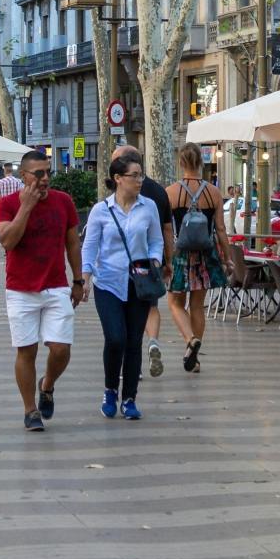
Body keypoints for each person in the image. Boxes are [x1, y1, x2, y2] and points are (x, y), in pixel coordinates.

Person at [0, 148, 83, 432]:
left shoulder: (63, 201)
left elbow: (72, 243)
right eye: (39, 174)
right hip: (20, 289)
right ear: (24, 176)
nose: (45, 178)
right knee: (27, 351)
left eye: (48, 172)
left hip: (56, 285)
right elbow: (7, 241)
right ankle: (30, 410)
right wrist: (26, 207)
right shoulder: (7, 204)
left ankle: (47, 384)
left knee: (61, 348)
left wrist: (78, 280)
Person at [83, 154, 165, 420]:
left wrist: (154, 261)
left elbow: (157, 240)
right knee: (115, 338)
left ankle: (129, 398)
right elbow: (90, 246)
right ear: (118, 178)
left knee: (133, 341)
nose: (140, 180)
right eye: (135, 175)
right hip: (107, 282)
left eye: (142, 175)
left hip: (139, 284)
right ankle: (110, 390)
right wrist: (85, 277)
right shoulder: (101, 210)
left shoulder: (149, 207)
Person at [112, 145, 175, 379]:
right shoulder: (159, 191)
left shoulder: (119, 189)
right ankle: (153, 341)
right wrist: (168, 260)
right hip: (150, 264)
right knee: (151, 307)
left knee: (127, 316)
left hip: (124, 266)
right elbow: (167, 230)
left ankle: (132, 366)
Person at [164, 144, 224, 374]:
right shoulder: (214, 192)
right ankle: (194, 358)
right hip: (206, 254)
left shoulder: (170, 192)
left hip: (180, 253)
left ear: (180, 163)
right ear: (201, 162)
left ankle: (190, 340)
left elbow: (166, 229)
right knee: (197, 305)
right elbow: (220, 229)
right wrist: (227, 258)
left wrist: (165, 258)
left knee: (175, 303)